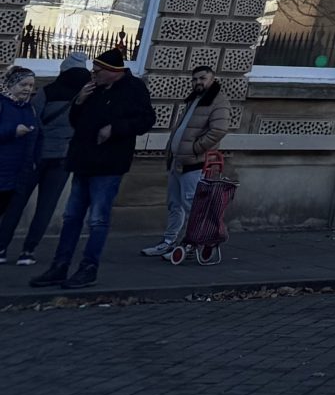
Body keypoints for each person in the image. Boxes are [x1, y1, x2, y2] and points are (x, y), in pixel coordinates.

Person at [32, 46, 155, 289]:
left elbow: (146, 119)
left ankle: (88, 268)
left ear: (113, 71)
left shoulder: (133, 88)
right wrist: (79, 101)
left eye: (98, 70)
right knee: (71, 217)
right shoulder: (92, 88)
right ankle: (60, 266)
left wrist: (115, 128)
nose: (94, 73)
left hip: (109, 164)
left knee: (98, 219)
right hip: (82, 160)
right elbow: (76, 121)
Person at [5, 54, 85, 264]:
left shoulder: (46, 92)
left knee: (17, 202)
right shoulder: (85, 96)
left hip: (37, 154)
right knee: (46, 206)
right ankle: (28, 252)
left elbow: (34, 121)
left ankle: (2, 248)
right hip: (63, 157)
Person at [143, 66, 229, 260]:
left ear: (213, 79)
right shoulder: (194, 100)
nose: (198, 82)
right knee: (174, 204)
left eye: (203, 78)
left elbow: (218, 130)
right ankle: (169, 241)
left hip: (194, 163)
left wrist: (195, 149)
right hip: (177, 160)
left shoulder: (218, 101)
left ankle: (195, 244)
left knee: (193, 206)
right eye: (195, 79)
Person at [0, 71, 38, 238]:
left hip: (18, 172)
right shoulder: (2, 104)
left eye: (30, 85)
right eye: (23, 85)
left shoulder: (29, 108)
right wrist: (12, 131)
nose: (27, 89)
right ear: (11, 85)